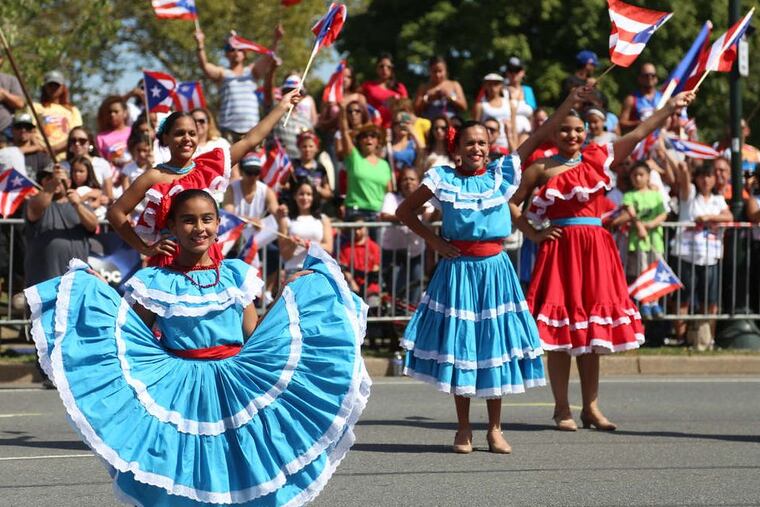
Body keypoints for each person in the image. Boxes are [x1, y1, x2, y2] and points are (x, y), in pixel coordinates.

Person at [25, 188, 370, 506]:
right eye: (188, 220)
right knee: (187, 472)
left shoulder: (236, 275)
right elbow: (127, 335)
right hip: (181, 389)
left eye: (207, 219)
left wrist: (284, 299)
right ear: (172, 226)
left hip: (236, 384)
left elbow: (254, 335)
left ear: (219, 224)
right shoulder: (155, 282)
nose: (199, 228)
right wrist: (99, 297)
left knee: (241, 467)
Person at [393, 92, 591, 455]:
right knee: (463, 348)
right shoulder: (442, 178)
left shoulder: (503, 171)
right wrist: (435, 243)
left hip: (496, 271)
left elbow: (544, 131)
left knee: (494, 346)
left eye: (483, 142)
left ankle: (495, 429)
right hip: (458, 272)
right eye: (470, 143)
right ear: (458, 148)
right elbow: (405, 212)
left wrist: (569, 102)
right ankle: (464, 429)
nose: (477, 148)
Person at [510, 89, 695, 432]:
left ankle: (591, 408)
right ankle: (562, 408)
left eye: (578, 129)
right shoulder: (540, 167)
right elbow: (511, 202)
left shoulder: (598, 157)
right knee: (561, 336)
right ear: (554, 133)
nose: (572, 135)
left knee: (592, 332)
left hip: (596, 249)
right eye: (565, 129)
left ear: (586, 132)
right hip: (561, 249)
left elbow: (639, 132)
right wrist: (533, 233)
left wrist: (670, 108)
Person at [106, 90, 302, 267]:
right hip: (171, 262)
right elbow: (116, 213)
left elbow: (250, 140)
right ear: (165, 138)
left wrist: (282, 106)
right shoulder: (153, 176)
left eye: (192, 133)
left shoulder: (209, 167)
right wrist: (145, 248)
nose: (187, 139)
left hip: (208, 259)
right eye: (179, 133)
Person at [671, 160, 732, 344]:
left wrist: (709, 217)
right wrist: (683, 169)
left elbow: (729, 216)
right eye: (702, 176)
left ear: (714, 179)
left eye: (709, 176)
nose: (705, 180)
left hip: (710, 256)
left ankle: (707, 338)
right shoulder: (689, 196)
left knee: (710, 300)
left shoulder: (718, 199)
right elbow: (684, 182)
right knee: (683, 298)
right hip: (686, 254)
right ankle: (680, 337)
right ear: (696, 179)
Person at [194, 26, 281, 142]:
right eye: (231, 49)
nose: (235, 52)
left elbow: (269, 57)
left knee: (253, 161)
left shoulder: (252, 72)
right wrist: (200, 44)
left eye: (239, 49)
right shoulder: (222, 74)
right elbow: (204, 66)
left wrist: (276, 39)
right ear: (226, 54)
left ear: (245, 53)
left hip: (252, 131)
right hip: (228, 131)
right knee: (229, 160)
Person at [24, 164, 97, 287]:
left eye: (57, 177)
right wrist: (55, 182)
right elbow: (35, 208)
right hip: (44, 282)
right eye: (48, 179)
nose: (52, 181)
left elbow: (92, 225)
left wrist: (77, 205)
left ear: (68, 182)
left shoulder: (79, 204)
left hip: (76, 282)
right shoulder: (35, 202)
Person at [614, 161, 668, 318]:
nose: (638, 178)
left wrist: (650, 224)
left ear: (648, 176)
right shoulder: (630, 195)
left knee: (655, 271)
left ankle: (655, 303)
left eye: (641, 175)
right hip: (637, 242)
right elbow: (631, 212)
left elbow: (663, 213)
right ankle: (645, 303)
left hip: (655, 241)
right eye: (634, 175)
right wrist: (640, 227)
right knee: (642, 272)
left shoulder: (656, 194)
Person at [379, 167, 433, 304]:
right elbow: (385, 216)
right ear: (399, 182)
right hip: (393, 252)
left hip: (416, 253)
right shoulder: (391, 197)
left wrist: (440, 206)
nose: (408, 182)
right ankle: (394, 322)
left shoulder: (425, 199)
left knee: (416, 287)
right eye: (405, 179)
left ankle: (411, 319)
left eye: (412, 179)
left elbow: (430, 218)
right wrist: (411, 214)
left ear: (419, 182)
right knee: (395, 290)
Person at [338, 106, 393, 222]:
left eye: (373, 136)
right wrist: (343, 110)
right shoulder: (353, 157)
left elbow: (389, 192)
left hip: (377, 213)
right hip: (355, 211)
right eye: (364, 136)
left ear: (378, 141)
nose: (369, 139)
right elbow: (344, 132)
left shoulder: (385, 165)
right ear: (359, 141)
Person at [276, 180, 333, 277]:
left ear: (313, 197)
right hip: (294, 271)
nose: (305, 198)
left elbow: (329, 248)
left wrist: (308, 244)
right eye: (301, 194)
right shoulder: (286, 220)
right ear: (295, 196)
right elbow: (285, 255)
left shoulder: (323, 219)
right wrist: (293, 245)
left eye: (309, 194)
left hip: (318, 270)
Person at [32, 70, 82, 160]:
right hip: (41, 156)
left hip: (65, 157)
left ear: (63, 87)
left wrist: (55, 149)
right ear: (44, 87)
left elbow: (76, 135)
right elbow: (30, 132)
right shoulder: (35, 107)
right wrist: (42, 149)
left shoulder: (73, 110)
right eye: (50, 85)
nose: (53, 88)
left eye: (56, 85)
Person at [62, 126, 114, 202]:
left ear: (90, 143)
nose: (77, 144)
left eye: (82, 141)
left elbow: (109, 197)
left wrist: (96, 196)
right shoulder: (63, 167)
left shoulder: (102, 164)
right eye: (73, 141)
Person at [223, 151, 278, 220]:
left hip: (257, 229)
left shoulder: (267, 191)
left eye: (256, 172)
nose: (253, 176)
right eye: (249, 172)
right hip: (236, 229)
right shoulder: (231, 189)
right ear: (241, 172)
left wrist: (281, 213)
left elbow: (277, 214)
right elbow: (228, 216)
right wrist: (250, 220)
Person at [473, 73, 520, 152]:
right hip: (488, 146)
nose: (492, 87)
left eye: (496, 84)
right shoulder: (480, 106)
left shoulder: (510, 104)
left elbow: (514, 128)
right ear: (485, 85)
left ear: (501, 85)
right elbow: (475, 128)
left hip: (507, 144)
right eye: (489, 84)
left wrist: (515, 146)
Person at [361, 53, 408, 129]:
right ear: (376, 68)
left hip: (394, 129)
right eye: (381, 66)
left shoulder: (399, 87)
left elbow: (406, 110)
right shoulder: (368, 86)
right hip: (373, 128)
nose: (384, 69)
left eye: (388, 67)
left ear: (392, 69)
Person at [413, 56, 466, 120]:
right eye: (434, 71)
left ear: (446, 71)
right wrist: (428, 99)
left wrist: (450, 98)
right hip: (430, 124)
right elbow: (416, 110)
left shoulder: (454, 85)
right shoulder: (423, 87)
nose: (437, 75)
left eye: (440, 71)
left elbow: (464, 107)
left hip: (452, 124)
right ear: (429, 71)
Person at [339, 218, 381, 300]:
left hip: (370, 286)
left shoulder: (374, 247)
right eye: (354, 229)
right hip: (352, 285)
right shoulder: (345, 248)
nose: (357, 232)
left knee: (374, 304)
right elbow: (345, 269)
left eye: (360, 228)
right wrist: (353, 284)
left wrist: (364, 288)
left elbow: (375, 269)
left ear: (366, 228)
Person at [287, 130, 332, 202]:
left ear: (316, 148)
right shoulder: (292, 165)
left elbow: (328, 193)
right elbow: (285, 187)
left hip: (315, 209)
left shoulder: (320, 168)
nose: (307, 149)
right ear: (299, 147)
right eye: (304, 146)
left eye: (311, 146)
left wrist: (316, 188)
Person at [619, 63, 662, 133]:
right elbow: (621, 123)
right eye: (646, 75)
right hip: (640, 139)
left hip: (660, 137)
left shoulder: (664, 98)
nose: (650, 78)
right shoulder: (631, 99)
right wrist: (638, 123)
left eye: (653, 75)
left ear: (656, 79)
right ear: (639, 78)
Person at [95, 95, 133, 171]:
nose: (112, 115)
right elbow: (100, 161)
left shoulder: (133, 132)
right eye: (109, 112)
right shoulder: (100, 137)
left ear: (125, 113)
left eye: (116, 112)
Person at [504, 56, 536, 143]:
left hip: (527, 135)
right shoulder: (501, 90)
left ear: (523, 72)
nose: (514, 74)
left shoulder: (528, 90)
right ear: (506, 73)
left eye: (517, 70)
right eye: (511, 70)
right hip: (506, 136)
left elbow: (532, 116)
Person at [10, 112, 51, 178]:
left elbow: (48, 182)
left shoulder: (42, 156)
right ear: (12, 130)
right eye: (18, 127)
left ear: (33, 130)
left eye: (27, 127)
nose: (23, 130)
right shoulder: (4, 153)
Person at [388, 110, 425, 175]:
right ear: (393, 126)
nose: (402, 125)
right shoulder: (388, 146)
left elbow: (423, 150)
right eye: (398, 122)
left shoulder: (413, 144)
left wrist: (412, 132)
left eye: (405, 122)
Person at [68, 155, 105, 220]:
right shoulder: (69, 190)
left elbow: (96, 204)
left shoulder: (96, 190)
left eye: (81, 171)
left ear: (89, 172)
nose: (77, 174)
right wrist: (86, 196)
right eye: (74, 171)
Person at [0, 54, 24, 137]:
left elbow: (20, 103)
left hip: (5, 128)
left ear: (1, 60)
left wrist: (4, 95)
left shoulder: (10, 80)